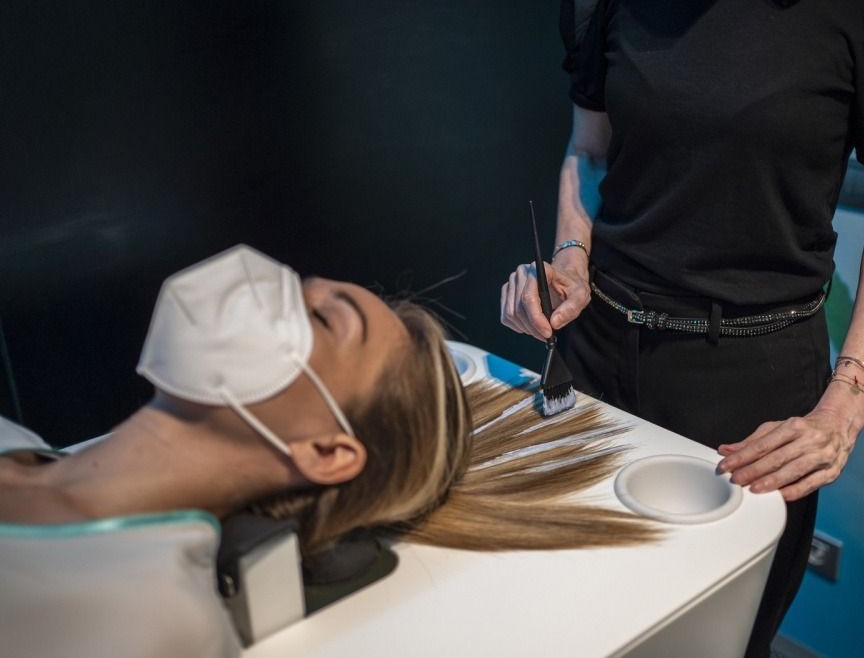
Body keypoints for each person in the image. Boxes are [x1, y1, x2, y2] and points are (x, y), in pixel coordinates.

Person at [500, 0, 864, 655]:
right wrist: (570, 258)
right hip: (597, 364)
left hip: (751, 399)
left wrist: (848, 401)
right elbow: (590, 151)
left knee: (708, 642)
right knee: (572, 624)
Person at [1, 245, 654, 657]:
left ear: (325, 451)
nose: (267, 291)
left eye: (318, 318)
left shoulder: (146, 625)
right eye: (299, 288)